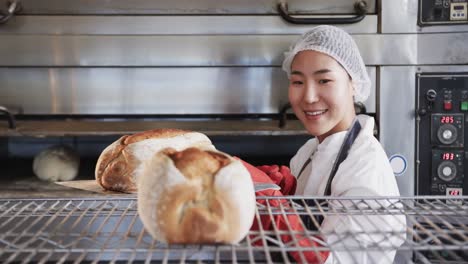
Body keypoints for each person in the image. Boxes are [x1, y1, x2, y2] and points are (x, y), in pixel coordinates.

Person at [279, 25, 407, 263]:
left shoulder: (364, 167)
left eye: (324, 80)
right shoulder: (308, 153)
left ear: (353, 84)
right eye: (297, 82)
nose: (308, 97)